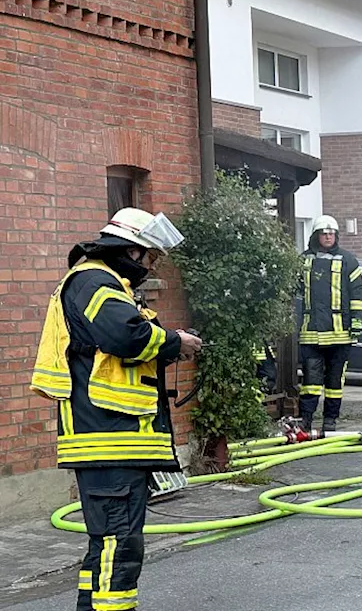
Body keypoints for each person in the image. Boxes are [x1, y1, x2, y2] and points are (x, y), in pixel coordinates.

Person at [30, 208, 202, 611]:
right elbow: (126, 335)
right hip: (109, 437)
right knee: (120, 545)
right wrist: (176, 342)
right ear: (130, 251)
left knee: (107, 543)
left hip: (108, 437)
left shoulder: (99, 282)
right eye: (151, 256)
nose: (154, 264)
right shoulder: (95, 282)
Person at [298, 215, 362, 432]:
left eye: (331, 233)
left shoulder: (348, 260)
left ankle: (330, 420)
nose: (328, 237)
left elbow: (358, 293)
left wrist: (356, 321)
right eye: (324, 233)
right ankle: (306, 420)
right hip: (311, 333)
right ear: (316, 235)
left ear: (336, 236)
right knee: (310, 380)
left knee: (335, 382)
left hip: (340, 334)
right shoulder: (303, 260)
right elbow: (293, 292)